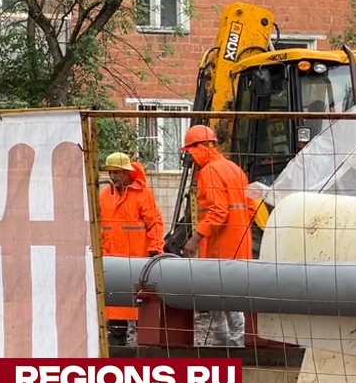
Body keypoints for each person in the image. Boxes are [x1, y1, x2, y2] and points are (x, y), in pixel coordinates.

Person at [180, 124, 253, 348]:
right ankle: (231, 342)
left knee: (221, 296)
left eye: (190, 153)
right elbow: (250, 206)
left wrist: (195, 238)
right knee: (233, 296)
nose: (190, 159)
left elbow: (218, 211)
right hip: (240, 244)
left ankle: (228, 345)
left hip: (220, 246)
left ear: (199, 148)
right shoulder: (234, 168)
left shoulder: (210, 172)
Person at [99, 151, 164, 346]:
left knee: (142, 314)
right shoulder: (105, 195)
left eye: (117, 172)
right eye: (110, 172)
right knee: (115, 318)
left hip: (138, 265)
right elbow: (99, 227)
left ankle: (146, 354)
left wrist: (155, 250)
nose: (112, 177)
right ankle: (117, 356)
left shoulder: (143, 195)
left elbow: (155, 225)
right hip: (112, 264)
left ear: (128, 172)